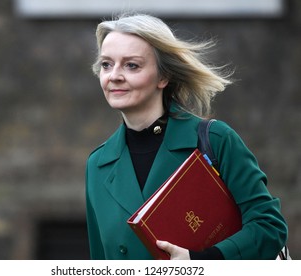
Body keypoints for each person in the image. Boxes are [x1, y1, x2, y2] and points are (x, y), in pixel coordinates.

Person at [85, 13, 288, 260]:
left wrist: (200, 262)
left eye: (132, 65)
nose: (114, 75)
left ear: (163, 77)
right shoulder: (97, 164)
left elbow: (269, 227)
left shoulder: (215, 139)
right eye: (106, 64)